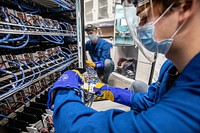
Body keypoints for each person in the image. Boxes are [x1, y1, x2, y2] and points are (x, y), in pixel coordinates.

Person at [47, 0, 200, 132]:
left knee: (108, 64)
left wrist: (64, 91)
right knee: (138, 85)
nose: (140, 28)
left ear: (184, 7)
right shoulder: (170, 67)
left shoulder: (192, 105)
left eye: (145, 18)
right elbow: (149, 101)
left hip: (103, 67)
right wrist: (109, 91)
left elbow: (84, 129)